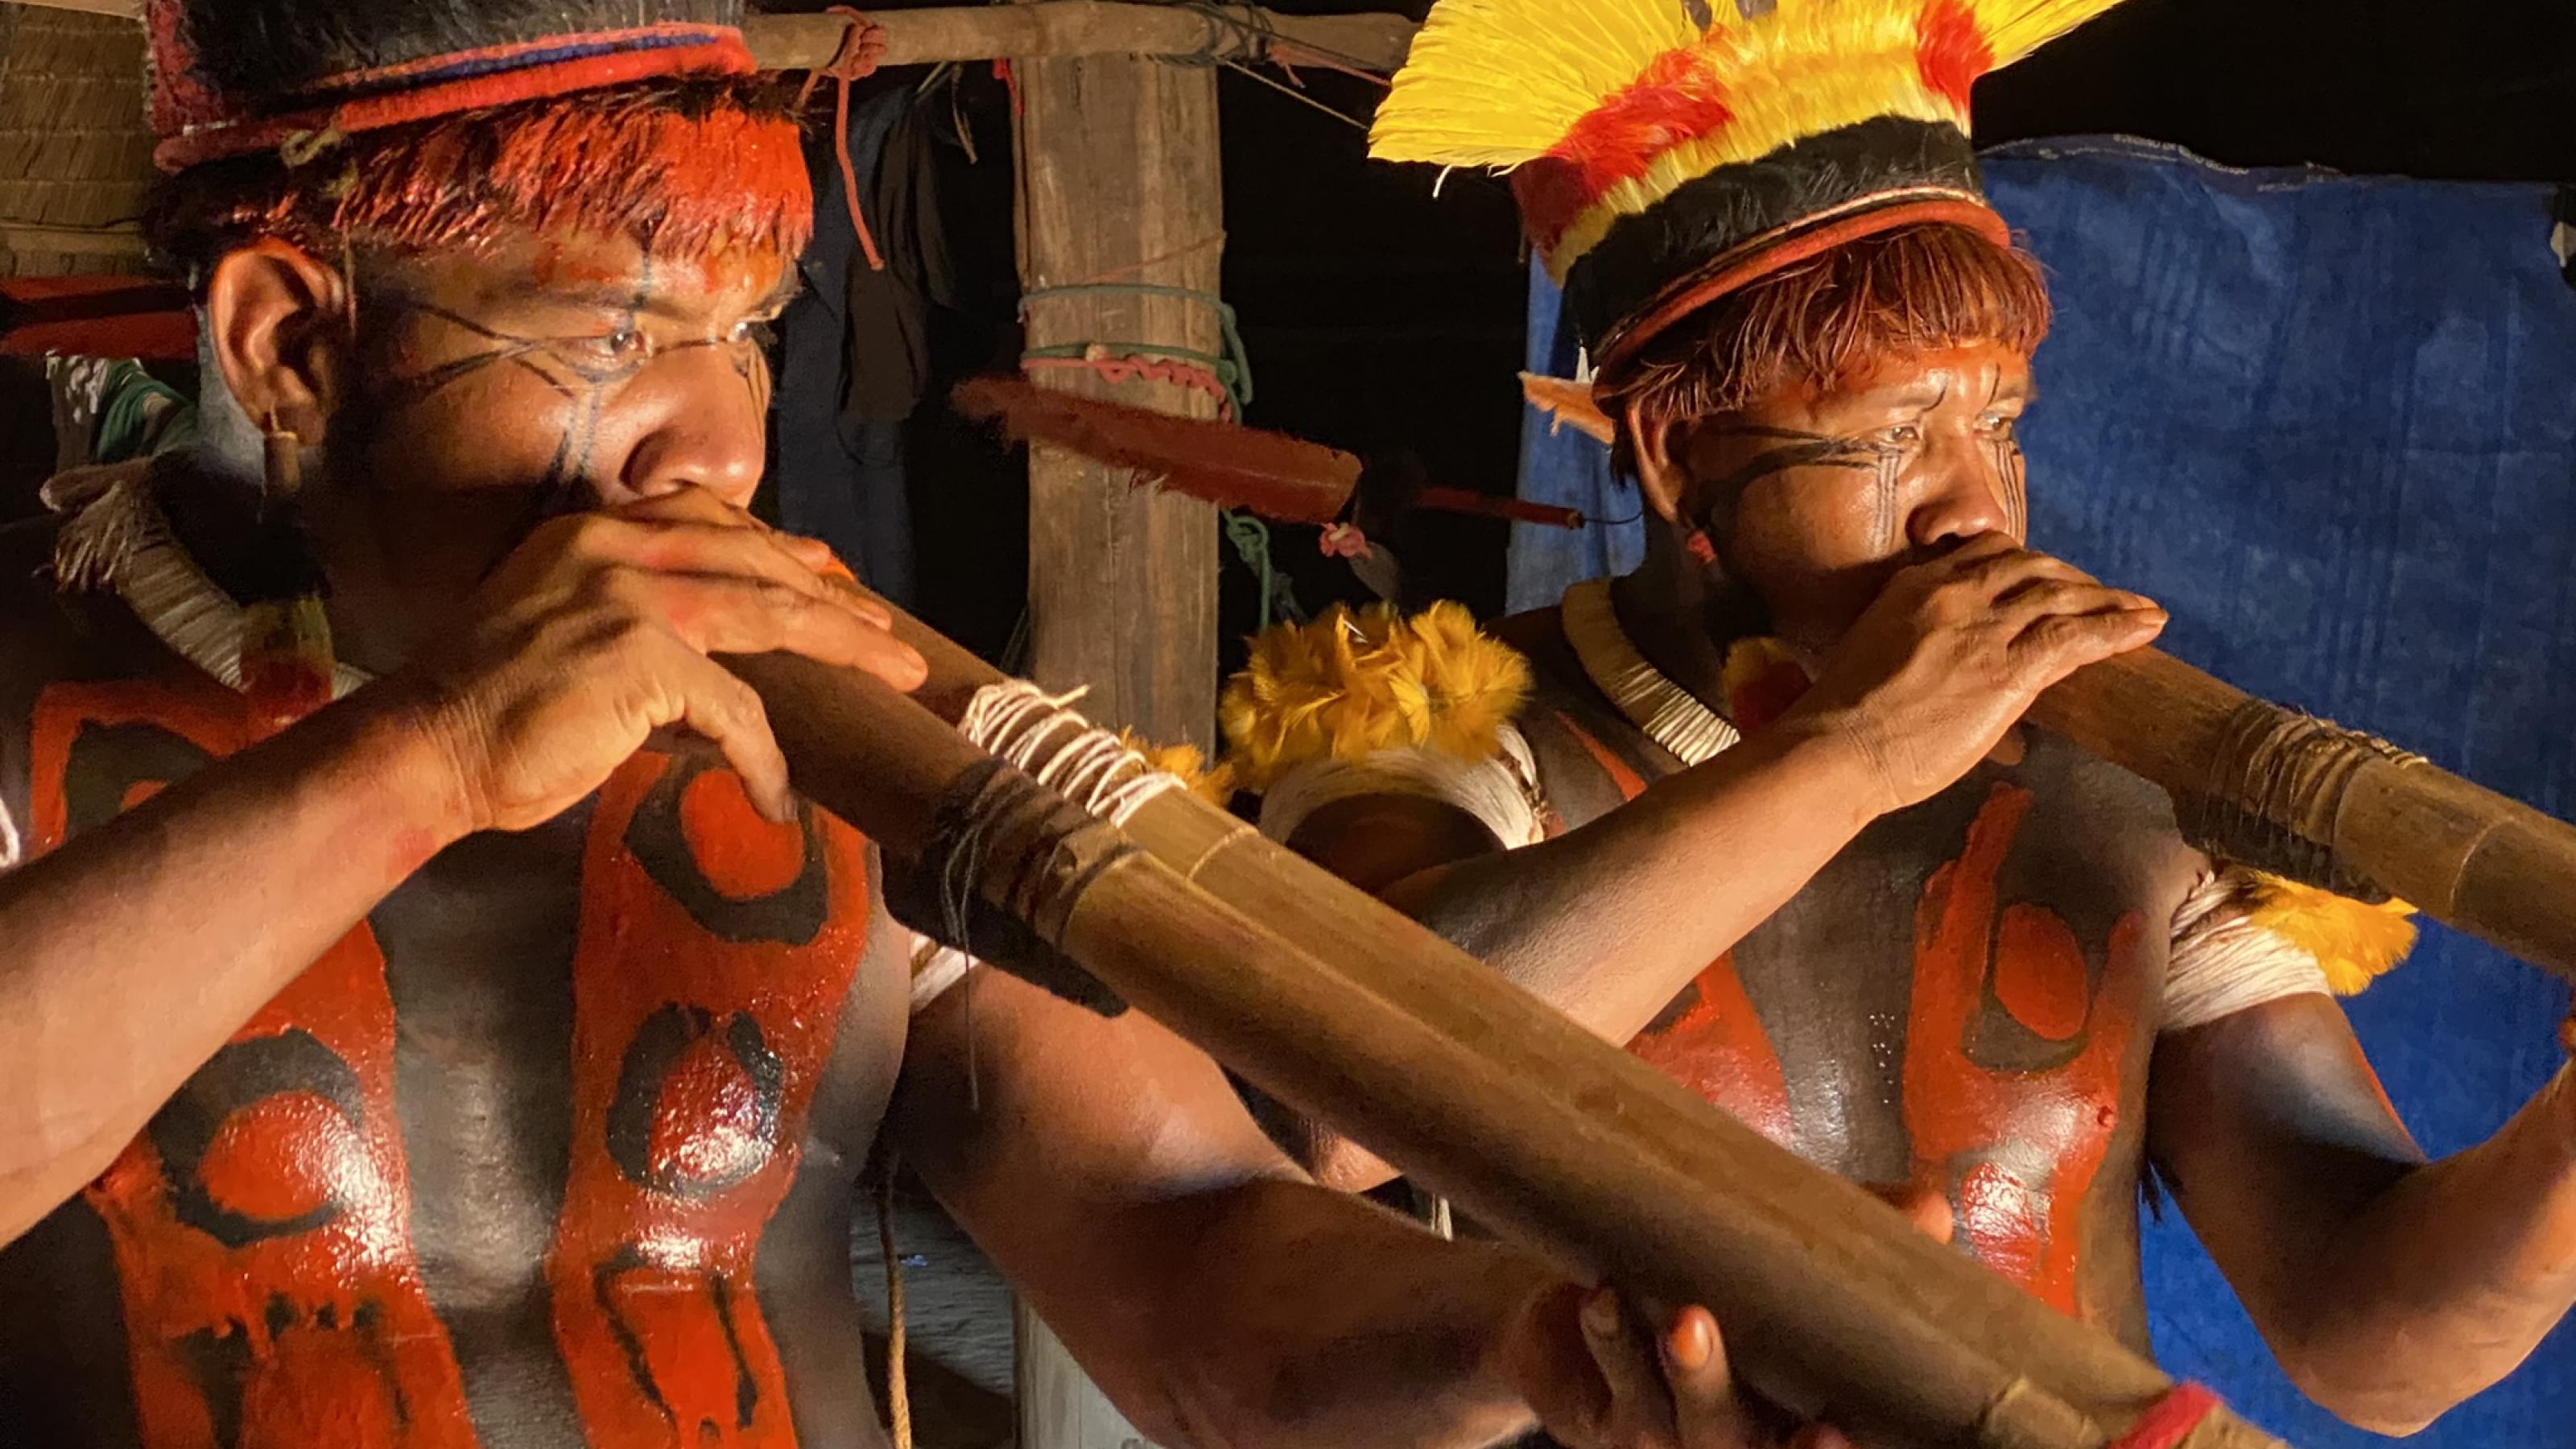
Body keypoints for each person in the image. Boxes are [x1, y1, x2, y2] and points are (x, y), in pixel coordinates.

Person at [0, 4, 1742, 1445]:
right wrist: (438, 748)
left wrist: (1530, 1337)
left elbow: (1184, 1245)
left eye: (749, 337)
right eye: (622, 338)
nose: (723, 451)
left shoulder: (831, 746)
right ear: (290, 342)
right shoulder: (24, 683)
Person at [1224, 0, 2576, 1437]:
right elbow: (1340, 1108)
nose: (1977, 508)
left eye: (1998, 427)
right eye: (1891, 440)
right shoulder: (1447, 732)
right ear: (1682, 461)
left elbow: (2371, 1346)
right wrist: (1860, 752)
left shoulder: (2118, 796)